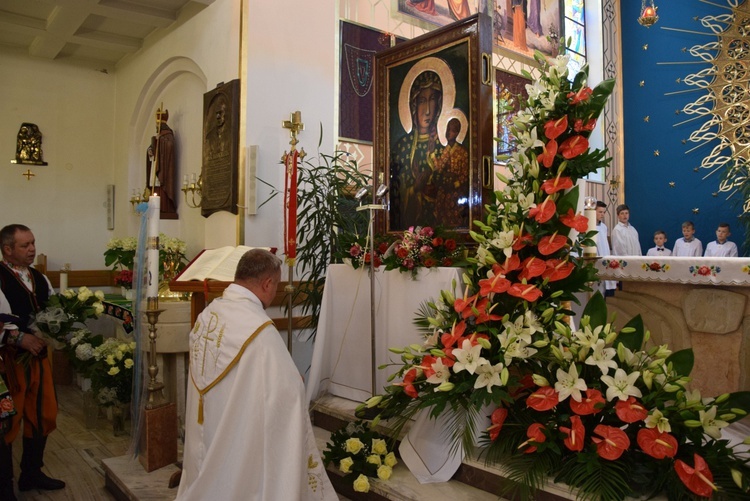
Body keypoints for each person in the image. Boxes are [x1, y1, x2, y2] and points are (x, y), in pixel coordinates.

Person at [178, 249, 336, 500]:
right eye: (277, 286)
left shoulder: (209, 314)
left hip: (212, 416)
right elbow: (288, 390)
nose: (275, 293)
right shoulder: (257, 328)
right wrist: (296, 381)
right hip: (238, 430)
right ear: (267, 283)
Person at [0, 224, 65, 500]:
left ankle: (31, 473)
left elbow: (53, 311)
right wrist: (18, 339)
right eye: (25, 245)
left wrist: (58, 330)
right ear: (7, 249)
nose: (32, 249)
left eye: (33, 243)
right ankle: (4, 486)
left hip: (38, 360)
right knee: (7, 421)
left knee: (43, 414)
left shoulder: (39, 278)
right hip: (8, 364)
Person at [390, 70, 443, 230]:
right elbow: (396, 195)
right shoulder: (401, 146)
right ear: (413, 105)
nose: (427, 110)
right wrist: (414, 190)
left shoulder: (444, 146)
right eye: (422, 101)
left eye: (432, 100)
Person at [431, 117, 470, 227]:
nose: (448, 133)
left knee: (454, 216)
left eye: (451, 130)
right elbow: (439, 168)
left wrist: (455, 184)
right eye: (447, 129)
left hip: (456, 191)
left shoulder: (463, 152)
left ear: (457, 132)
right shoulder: (446, 149)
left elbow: (465, 173)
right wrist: (432, 154)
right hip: (445, 188)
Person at [146, 108, 178, 218]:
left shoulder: (168, 136)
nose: (156, 127)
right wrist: (150, 151)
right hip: (156, 165)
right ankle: (155, 208)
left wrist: (161, 142)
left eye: (157, 124)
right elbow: (153, 150)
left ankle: (164, 207)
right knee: (156, 187)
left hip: (164, 168)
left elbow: (169, 147)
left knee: (162, 187)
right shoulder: (158, 137)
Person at [594, 201, 616, 296]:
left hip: (605, 257)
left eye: (604, 212)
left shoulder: (604, 227)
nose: (602, 214)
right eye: (600, 212)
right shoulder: (589, 226)